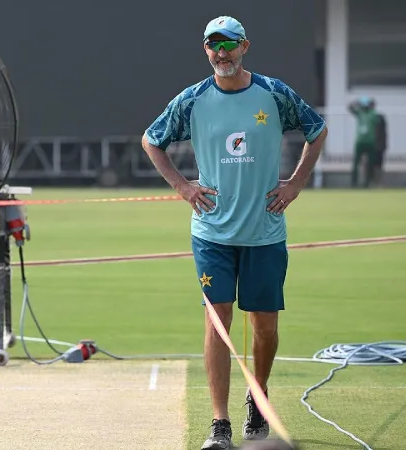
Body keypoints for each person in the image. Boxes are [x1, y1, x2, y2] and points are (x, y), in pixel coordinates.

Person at [141, 15, 327, 450]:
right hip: (212, 233)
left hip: (264, 231)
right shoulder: (192, 100)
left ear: (245, 46)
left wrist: (296, 183)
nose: (221, 53)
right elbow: (152, 140)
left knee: (264, 326)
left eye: (229, 45)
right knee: (218, 321)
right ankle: (220, 423)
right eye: (213, 45)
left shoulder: (274, 94)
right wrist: (183, 187)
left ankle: (256, 399)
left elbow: (315, 131)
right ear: (205, 49)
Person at [348, 97, 381, 188]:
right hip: (360, 142)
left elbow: (377, 121)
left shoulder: (373, 114)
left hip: (370, 142)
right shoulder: (360, 113)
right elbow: (350, 107)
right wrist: (357, 102)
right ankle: (354, 182)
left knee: (370, 163)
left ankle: (367, 182)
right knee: (356, 163)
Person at [371, 100, 388, 187]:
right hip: (369, 147)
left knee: (379, 165)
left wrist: (384, 145)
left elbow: (384, 133)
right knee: (370, 165)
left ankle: (379, 183)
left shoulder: (379, 118)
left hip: (378, 146)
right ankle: (370, 182)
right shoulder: (365, 117)